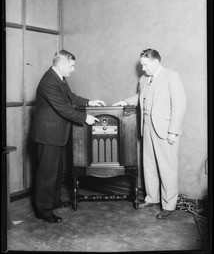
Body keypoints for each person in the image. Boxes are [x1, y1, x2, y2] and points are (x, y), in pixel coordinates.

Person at [31, 49, 106, 223]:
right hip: (47, 135)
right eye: (71, 66)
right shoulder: (49, 81)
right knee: (46, 174)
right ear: (61, 64)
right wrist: (84, 117)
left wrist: (88, 102)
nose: (73, 69)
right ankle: (44, 211)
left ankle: (54, 201)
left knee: (55, 172)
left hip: (56, 134)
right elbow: (63, 108)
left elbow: (70, 98)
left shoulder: (59, 78)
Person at [113, 48, 186, 219]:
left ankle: (169, 205)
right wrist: (124, 102)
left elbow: (180, 105)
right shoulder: (144, 79)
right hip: (147, 128)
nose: (143, 68)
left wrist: (173, 131)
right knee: (149, 165)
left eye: (145, 65)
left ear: (155, 62)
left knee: (167, 168)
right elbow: (140, 97)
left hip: (166, 130)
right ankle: (152, 198)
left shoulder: (172, 76)